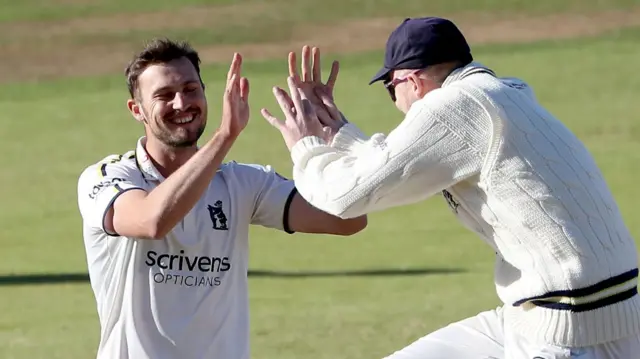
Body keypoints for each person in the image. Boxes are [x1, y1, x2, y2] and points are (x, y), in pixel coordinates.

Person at [261, 17, 640, 359]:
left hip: (568, 332)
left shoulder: (454, 108)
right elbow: (403, 161)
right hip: (579, 315)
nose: (396, 102)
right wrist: (339, 134)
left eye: (392, 89)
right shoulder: (499, 93)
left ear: (412, 81)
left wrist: (305, 145)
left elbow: (342, 198)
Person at [76, 38, 367, 359]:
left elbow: (348, 218)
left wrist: (331, 133)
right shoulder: (108, 177)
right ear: (137, 110)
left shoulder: (241, 183)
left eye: (190, 89)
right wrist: (225, 136)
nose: (181, 103)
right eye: (163, 95)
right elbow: (152, 221)